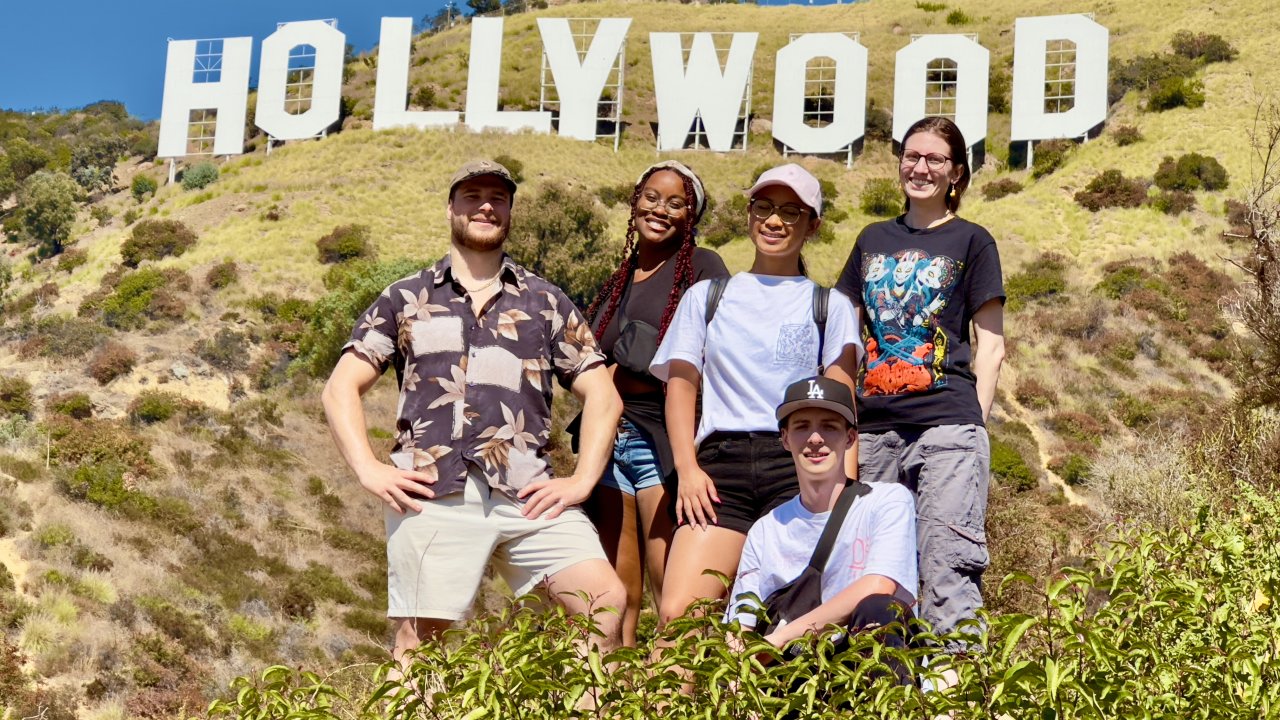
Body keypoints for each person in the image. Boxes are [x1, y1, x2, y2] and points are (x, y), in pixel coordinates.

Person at [321, 159, 627, 664]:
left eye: (497, 198)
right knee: (421, 645)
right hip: (432, 492)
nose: (485, 205)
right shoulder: (406, 297)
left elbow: (603, 396)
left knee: (603, 604)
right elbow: (339, 389)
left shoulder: (545, 301)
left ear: (508, 212)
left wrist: (581, 483)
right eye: (472, 195)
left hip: (529, 494)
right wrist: (369, 470)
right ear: (451, 208)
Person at [649, 163, 862, 627]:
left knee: (791, 620)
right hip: (718, 469)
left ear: (813, 225)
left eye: (791, 211)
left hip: (801, 468)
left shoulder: (830, 306)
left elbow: (842, 410)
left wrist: (843, 492)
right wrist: (686, 468)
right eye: (763, 207)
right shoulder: (707, 297)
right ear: (748, 215)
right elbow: (682, 388)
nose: (774, 221)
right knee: (680, 615)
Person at [835, 116, 1006, 650]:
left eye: (935, 159)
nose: (921, 167)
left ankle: (953, 699)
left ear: (956, 172)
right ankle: (884, 695)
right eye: (912, 156)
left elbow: (991, 345)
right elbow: (842, 334)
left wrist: (971, 425)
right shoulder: (871, 239)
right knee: (874, 577)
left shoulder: (973, 241)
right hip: (875, 430)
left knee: (947, 570)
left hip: (948, 428)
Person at [581, 161, 729, 646]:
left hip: (663, 443)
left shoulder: (703, 268)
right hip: (605, 442)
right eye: (651, 196)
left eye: (675, 202)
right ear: (635, 199)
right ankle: (618, 700)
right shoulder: (620, 276)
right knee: (614, 594)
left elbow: (705, 356)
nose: (659, 209)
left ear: (692, 215)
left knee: (674, 595)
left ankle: (673, 699)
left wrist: (622, 370)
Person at [725, 376, 917, 664]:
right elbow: (740, 627)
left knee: (880, 608)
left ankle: (888, 709)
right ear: (785, 438)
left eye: (829, 426)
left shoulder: (886, 501)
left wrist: (781, 638)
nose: (815, 439)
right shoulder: (765, 529)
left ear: (850, 438)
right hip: (791, 679)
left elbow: (879, 585)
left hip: (862, 664)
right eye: (802, 427)